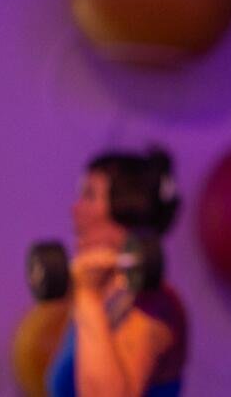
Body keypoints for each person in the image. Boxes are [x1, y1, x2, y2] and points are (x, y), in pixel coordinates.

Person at [46, 148, 189, 397]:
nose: (75, 209)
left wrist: (87, 295)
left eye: (90, 196)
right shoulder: (100, 298)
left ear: (127, 209)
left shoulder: (154, 303)